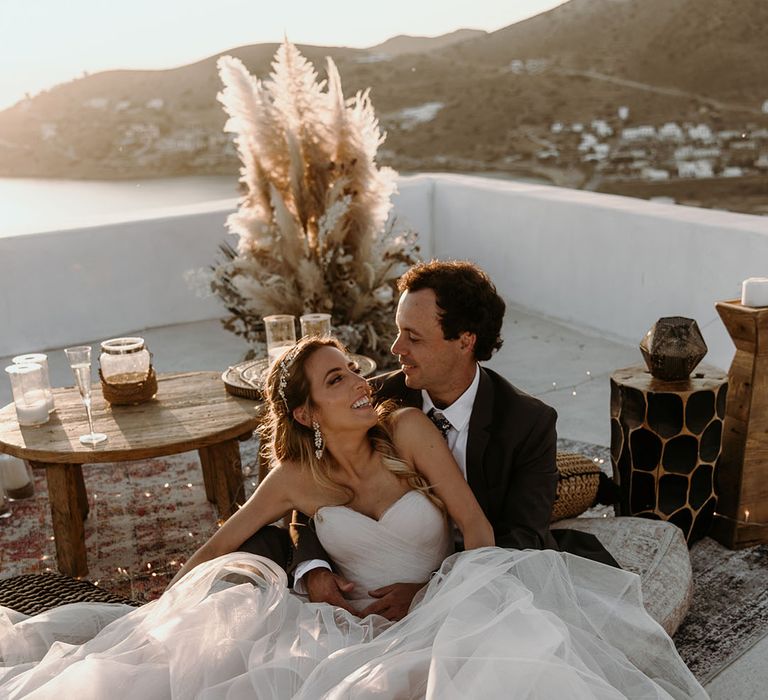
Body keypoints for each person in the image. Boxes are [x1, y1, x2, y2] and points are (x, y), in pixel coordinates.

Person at [0, 336, 706, 698]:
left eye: (352, 368)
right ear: (307, 412)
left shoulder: (406, 432)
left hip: (450, 603)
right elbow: (220, 544)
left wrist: (433, 594)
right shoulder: (294, 479)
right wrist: (154, 615)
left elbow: (480, 530)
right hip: (344, 626)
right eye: (338, 378)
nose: (361, 381)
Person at [295, 260, 618, 620]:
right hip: (371, 590)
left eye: (413, 338)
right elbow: (311, 489)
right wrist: (314, 570)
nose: (395, 347)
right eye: (399, 331)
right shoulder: (376, 401)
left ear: (465, 341)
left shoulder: (528, 422)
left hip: (483, 584)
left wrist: (430, 592)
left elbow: (522, 537)